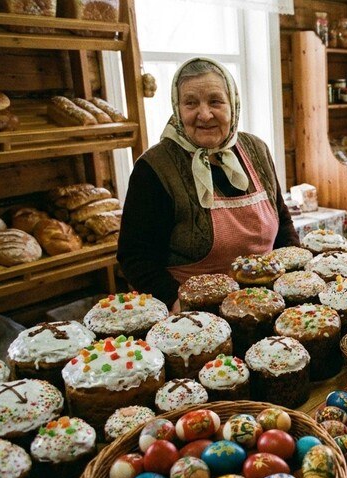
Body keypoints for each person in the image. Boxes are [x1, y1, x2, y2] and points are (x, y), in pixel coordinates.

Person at [118, 58, 298, 312]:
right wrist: (175, 301)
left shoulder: (255, 149)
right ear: (177, 108)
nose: (204, 114)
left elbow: (283, 222)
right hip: (196, 314)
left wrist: (295, 277)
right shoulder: (155, 167)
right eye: (190, 103)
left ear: (232, 104)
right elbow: (135, 256)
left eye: (215, 101)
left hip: (269, 303)